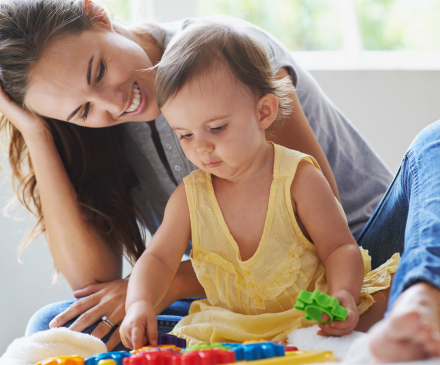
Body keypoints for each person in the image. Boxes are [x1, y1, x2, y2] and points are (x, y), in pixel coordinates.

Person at [0, 0, 438, 360]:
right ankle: (269, 344)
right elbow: (92, 283)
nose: (113, 104)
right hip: (239, 299)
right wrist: (36, 133)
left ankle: (420, 293)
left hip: (358, 257)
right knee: (54, 330)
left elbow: (300, 232)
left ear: (98, 15)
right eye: (82, 111)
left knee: (434, 142)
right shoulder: (102, 129)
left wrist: (169, 281)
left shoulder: (222, 53)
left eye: (98, 71)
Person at [118, 21, 399, 349]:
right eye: (185, 135)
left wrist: (343, 296)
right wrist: (138, 304)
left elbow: (339, 247)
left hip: (307, 317)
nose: (202, 147)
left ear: (264, 112)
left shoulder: (298, 178)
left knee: (386, 296)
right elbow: (158, 260)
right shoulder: (189, 198)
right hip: (232, 329)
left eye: (217, 128)